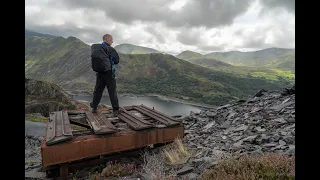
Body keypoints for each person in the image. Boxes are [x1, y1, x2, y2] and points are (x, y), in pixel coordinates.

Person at [90, 34, 120, 114]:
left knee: (98, 90)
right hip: (109, 73)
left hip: (99, 73)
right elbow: (117, 61)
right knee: (112, 91)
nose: (112, 41)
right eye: (111, 39)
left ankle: (94, 108)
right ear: (106, 39)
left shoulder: (97, 49)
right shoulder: (110, 49)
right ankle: (116, 110)